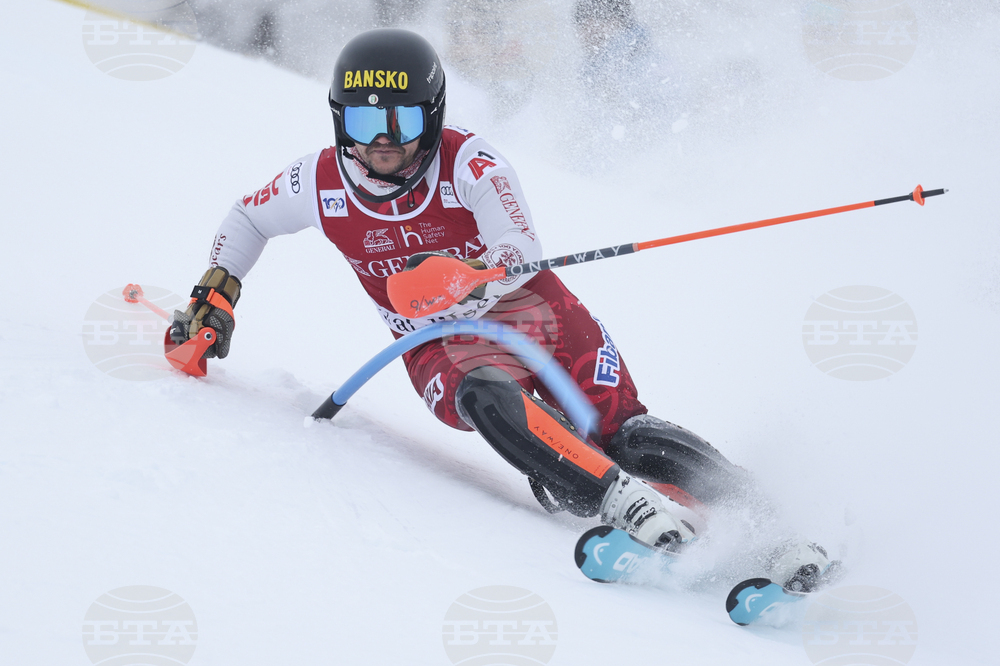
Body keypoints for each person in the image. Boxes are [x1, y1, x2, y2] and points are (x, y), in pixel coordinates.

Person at [170, 28, 832, 590]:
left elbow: (520, 249)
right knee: (482, 392)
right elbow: (246, 220)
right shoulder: (317, 182)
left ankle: (772, 525)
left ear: (433, 115)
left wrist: (463, 277)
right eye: (365, 122)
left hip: (532, 309)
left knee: (623, 432)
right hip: (441, 344)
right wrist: (216, 292)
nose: (382, 143)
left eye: (400, 123)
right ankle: (617, 500)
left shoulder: (470, 162)